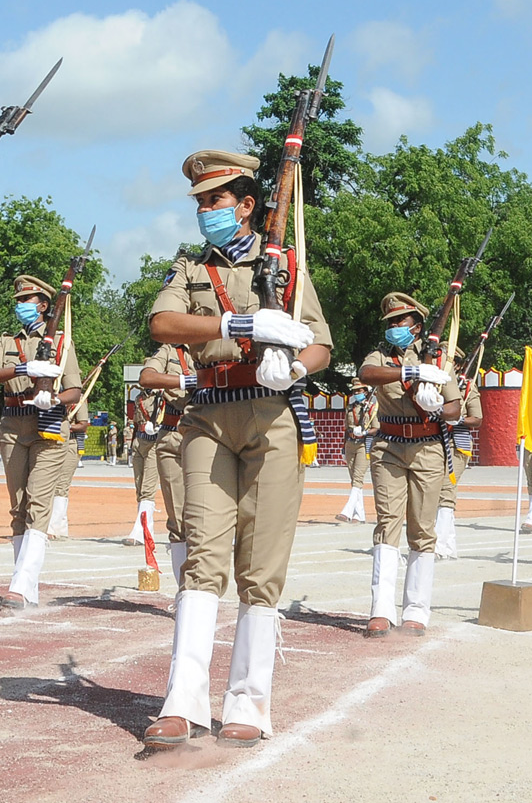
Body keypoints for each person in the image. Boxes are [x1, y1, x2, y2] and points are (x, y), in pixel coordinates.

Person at [142, 149, 332, 749]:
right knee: (202, 554)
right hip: (208, 417)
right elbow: (163, 325)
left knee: (261, 566)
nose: (204, 210)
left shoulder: (287, 265)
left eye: (215, 200)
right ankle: (183, 701)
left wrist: (295, 367)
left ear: (247, 206)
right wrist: (239, 328)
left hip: (272, 416)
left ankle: (248, 700)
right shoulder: (190, 269)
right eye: (199, 201)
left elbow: (322, 345)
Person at [358, 293, 460, 639]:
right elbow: (366, 373)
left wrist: (434, 408)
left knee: (421, 526)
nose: (392, 328)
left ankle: (416, 609)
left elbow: (456, 409)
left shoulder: (440, 357)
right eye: (389, 323)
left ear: (416, 325)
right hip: (389, 445)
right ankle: (381, 610)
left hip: (428, 447)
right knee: (387, 522)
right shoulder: (382, 356)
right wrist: (410, 371)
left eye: (399, 322)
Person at [0, 275, 82, 609]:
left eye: (28, 300)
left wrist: (54, 401)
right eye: (18, 300)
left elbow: (75, 389)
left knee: (39, 503)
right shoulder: (7, 341)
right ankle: (26, 582)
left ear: (43, 305)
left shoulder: (62, 341)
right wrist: (22, 367)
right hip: (13, 424)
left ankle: (20, 586)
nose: (21, 305)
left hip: (49, 425)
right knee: (18, 506)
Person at [137, 343, 196, 587]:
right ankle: (185, 592)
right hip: (172, 435)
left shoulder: (219, 344)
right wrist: (183, 381)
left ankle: (204, 589)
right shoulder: (171, 351)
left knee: (204, 518)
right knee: (179, 521)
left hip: (208, 435)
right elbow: (146, 377)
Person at [433, 349, 483, 559]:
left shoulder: (467, 387)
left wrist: (458, 420)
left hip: (457, 443)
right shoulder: (432, 384)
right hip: (434, 443)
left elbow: (477, 419)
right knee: (434, 491)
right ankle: (448, 545)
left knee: (446, 489)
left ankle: (439, 544)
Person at [124, 386, 163, 545]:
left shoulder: (162, 397)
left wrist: (157, 427)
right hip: (139, 441)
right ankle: (147, 529)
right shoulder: (138, 397)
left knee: (148, 488)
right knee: (139, 488)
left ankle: (141, 531)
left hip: (154, 443)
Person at [336, 378, 377, 523]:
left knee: (358, 478)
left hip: (363, 445)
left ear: (366, 392)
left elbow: (376, 428)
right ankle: (359, 515)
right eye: (355, 391)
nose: (357, 393)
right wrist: (343, 446)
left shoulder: (373, 407)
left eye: (359, 390)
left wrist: (365, 432)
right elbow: (346, 427)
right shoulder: (350, 407)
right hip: (350, 444)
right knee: (354, 479)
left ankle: (347, 510)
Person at [48, 401, 89, 539]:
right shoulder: (54, 397)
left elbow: (83, 424)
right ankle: (60, 527)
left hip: (71, 443)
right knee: (51, 484)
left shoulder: (79, 401)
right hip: (54, 442)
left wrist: (65, 426)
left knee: (61, 485)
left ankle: (54, 527)